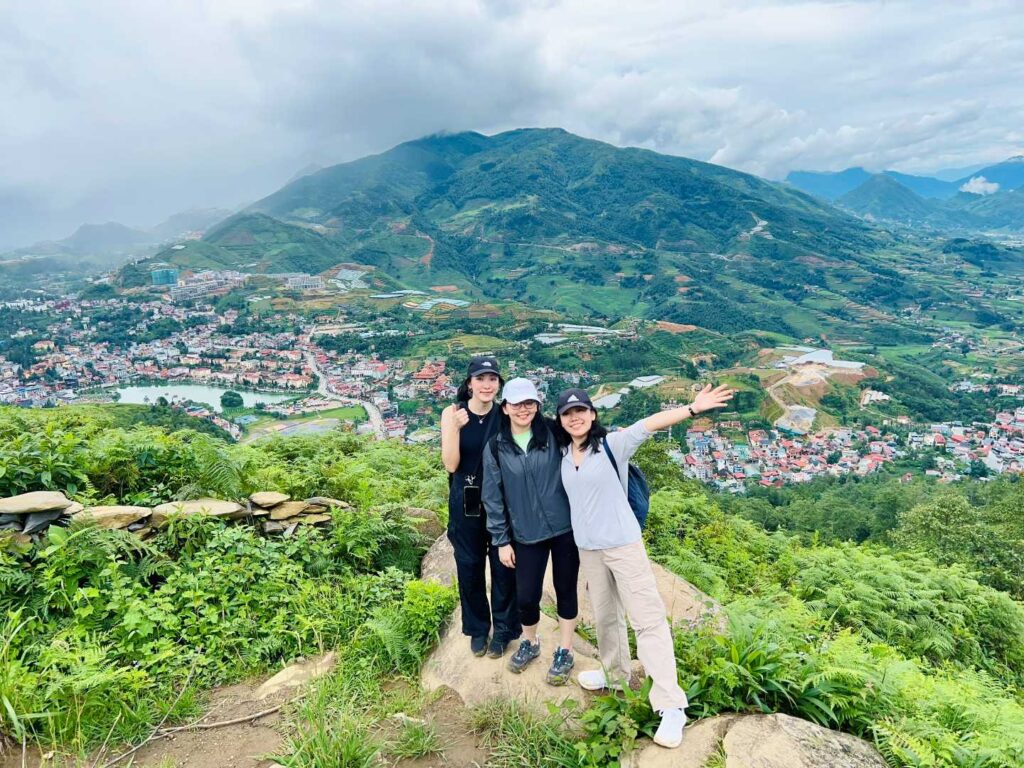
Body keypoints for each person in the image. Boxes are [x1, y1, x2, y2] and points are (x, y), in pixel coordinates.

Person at [553, 383, 735, 749]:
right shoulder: (561, 453)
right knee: (605, 618)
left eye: (581, 411)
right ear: (561, 420)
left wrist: (693, 409)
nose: (575, 418)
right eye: (568, 414)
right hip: (589, 551)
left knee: (647, 621)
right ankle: (614, 674)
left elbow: (648, 424)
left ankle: (671, 705)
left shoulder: (611, 446)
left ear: (593, 414)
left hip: (623, 546)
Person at [482, 378, 579, 684]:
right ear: (506, 407)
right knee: (526, 595)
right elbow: (492, 496)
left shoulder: (553, 432)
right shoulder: (497, 447)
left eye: (529, 403)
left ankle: (565, 650)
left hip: (564, 527)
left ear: (537, 405)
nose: (524, 409)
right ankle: (530, 641)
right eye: (517, 404)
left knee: (566, 589)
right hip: (525, 532)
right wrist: (501, 540)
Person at [440, 356, 521, 658]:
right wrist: (455, 430)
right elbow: (450, 463)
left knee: (504, 568)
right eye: (481, 379)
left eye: (492, 379)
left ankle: (503, 630)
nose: (487, 385)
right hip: (467, 500)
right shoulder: (452, 413)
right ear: (469, 383)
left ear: (499, 383)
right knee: (470, 566)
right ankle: (477, 628)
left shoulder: (505, 415)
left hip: (502, 503)